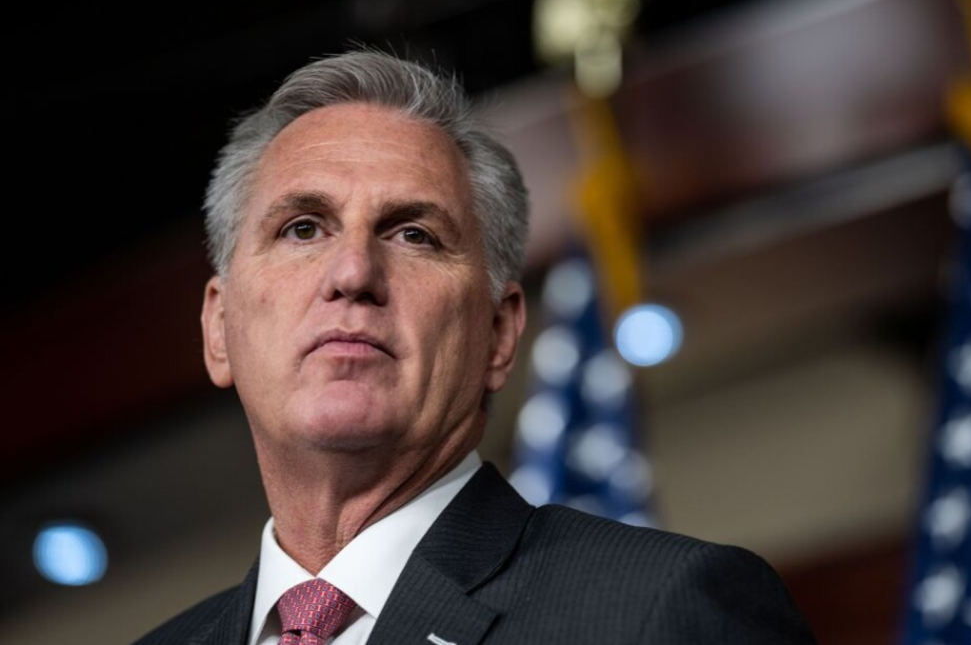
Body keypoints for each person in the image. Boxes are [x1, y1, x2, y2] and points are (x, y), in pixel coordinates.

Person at [136, 48, 815, 645]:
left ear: (499, 334)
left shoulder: (665, 609)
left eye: (414, 235)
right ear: (218, 330)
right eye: (303, 228)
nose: (353, 273)